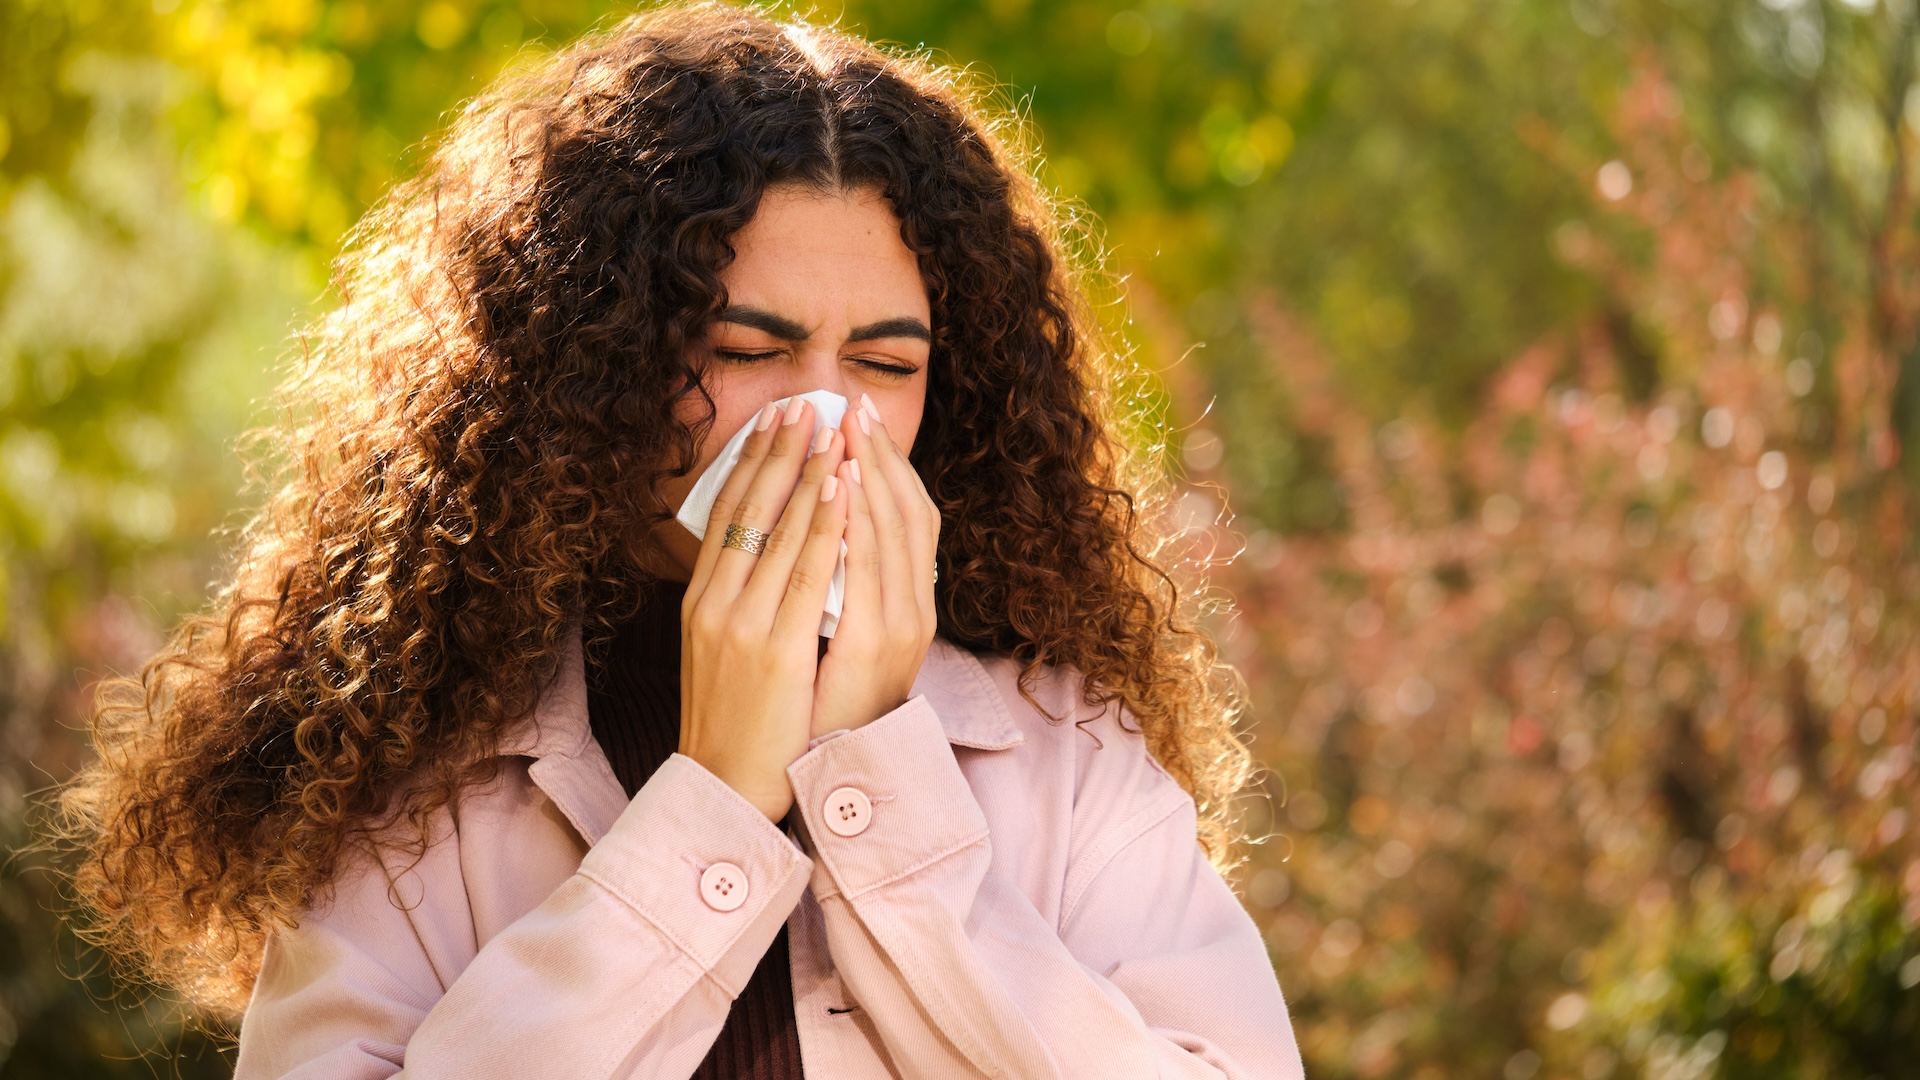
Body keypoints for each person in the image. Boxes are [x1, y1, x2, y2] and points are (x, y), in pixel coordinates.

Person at [59, 4, 1304, 1076]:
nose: (824, 419)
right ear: (591, 364)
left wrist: (879, 775)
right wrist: (709, 801)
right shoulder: (417, 791)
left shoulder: (1063, 751)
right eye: (749, 351)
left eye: (883, 362)